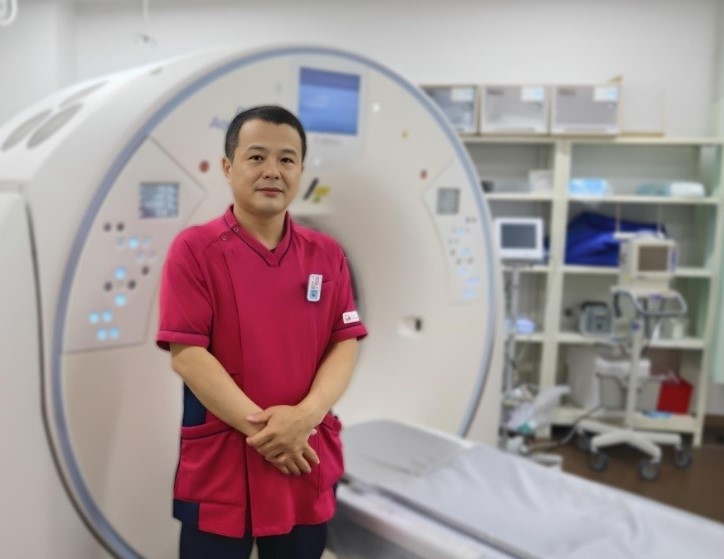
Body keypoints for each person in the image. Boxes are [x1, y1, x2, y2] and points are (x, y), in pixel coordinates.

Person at [156, 105, 368, 559]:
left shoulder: (326, 254)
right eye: (256, 157)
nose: (273, 170)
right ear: (228, 167)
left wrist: (305, 417)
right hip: (226, 463)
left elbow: (344, 342)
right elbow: (188, 355)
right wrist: (273, 435)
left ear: (301, 171)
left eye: (287, 159)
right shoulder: (195, 250)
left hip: (303, 454)